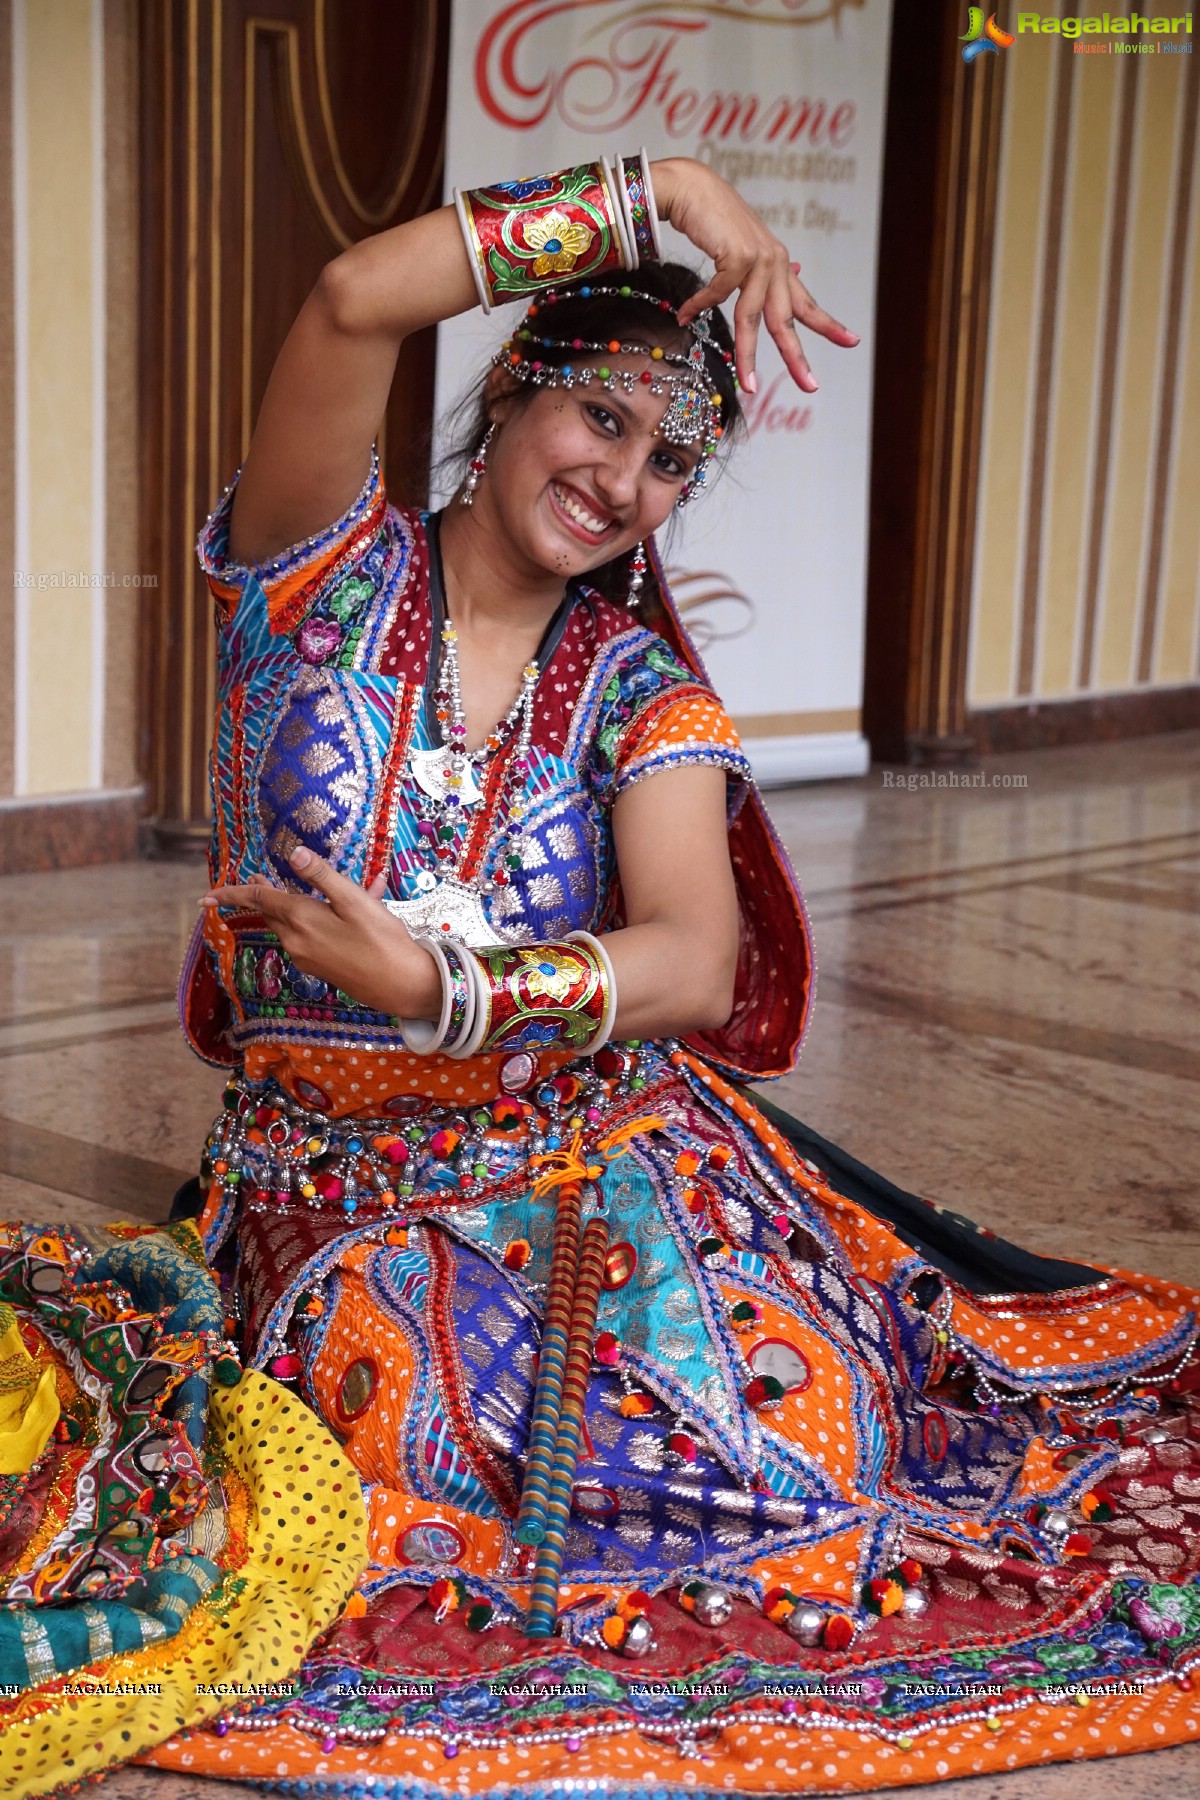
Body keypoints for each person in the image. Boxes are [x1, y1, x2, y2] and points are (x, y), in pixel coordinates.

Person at [2, 154, 1198, 1800]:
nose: (627, 478)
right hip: (321, 1191)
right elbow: (357, 293)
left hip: (594, 1170)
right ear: (505, 399)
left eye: (672, 457)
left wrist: (451, 991)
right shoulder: (315, 576)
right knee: (372, 1471)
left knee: (774, 1466)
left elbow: (696, 960)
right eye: (601, 418)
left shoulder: (633, 684)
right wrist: (674, 198)